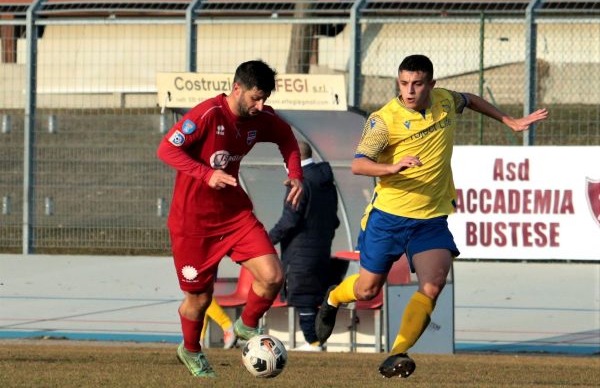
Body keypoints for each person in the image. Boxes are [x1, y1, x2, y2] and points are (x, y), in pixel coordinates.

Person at [315, 54, 548, 378]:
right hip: (388, 217)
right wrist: (391, 167)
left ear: (431, 85)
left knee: (434, 283)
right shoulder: (384, 120)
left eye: (417, 84)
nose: (409, 91)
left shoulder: (444, 101)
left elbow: (471, 99)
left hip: (430, 219)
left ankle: (397, 353)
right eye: (404, 83)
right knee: (368, 290)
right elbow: (358, 164)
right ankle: (334, 297)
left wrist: (508, 120)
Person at [157, 60, 303, 378]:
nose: (261, 105)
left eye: (264, 98)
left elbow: (287, 139)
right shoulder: (207, 115)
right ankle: (191, 351)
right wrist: (205, 174)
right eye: (256, 98)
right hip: (192, 224)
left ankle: (246, 325)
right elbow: (166, 150)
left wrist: (295, 174)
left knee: (273, 276)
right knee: (199, 298)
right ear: (237, 88)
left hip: (234, 216)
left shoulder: (260, 118)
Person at [269, 141, 340, 352]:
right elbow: (334, 220)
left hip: (301, 251)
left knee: (304, 298)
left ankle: (313, 341)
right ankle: (316, 341)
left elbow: (289, 220)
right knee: (311, 297)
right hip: (321, 249)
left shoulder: (300, 182)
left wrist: (265, 240)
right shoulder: (326, 182)